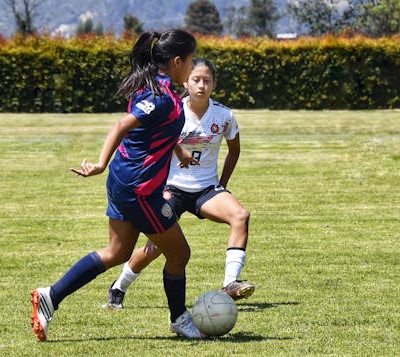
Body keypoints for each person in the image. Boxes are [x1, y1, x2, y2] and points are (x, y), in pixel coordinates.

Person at [30, 29, 203, 341]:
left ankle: (50, 296)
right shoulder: (160, 96)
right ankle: (179, 318)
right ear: (177, 62)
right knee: (179, 254)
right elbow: (122, 125)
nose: (192, 68)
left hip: (126, 182)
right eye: (190, 62)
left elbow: (153, 131)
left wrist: (177, 150)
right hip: (140, 189)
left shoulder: (154, 87)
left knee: (117, 251)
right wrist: (99, 162)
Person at [106, 58, 255, 310]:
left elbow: (234, 150)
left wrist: (222, 184)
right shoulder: (173, 110)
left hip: (206, 190)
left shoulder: (225, 115)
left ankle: (230, 283)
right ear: (186, 81)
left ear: (214, 84)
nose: (201, 85)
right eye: (196, 79)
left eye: (207, 81)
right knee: (156, 247)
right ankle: (119, 287)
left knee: (240, 215)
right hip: (170, 188)